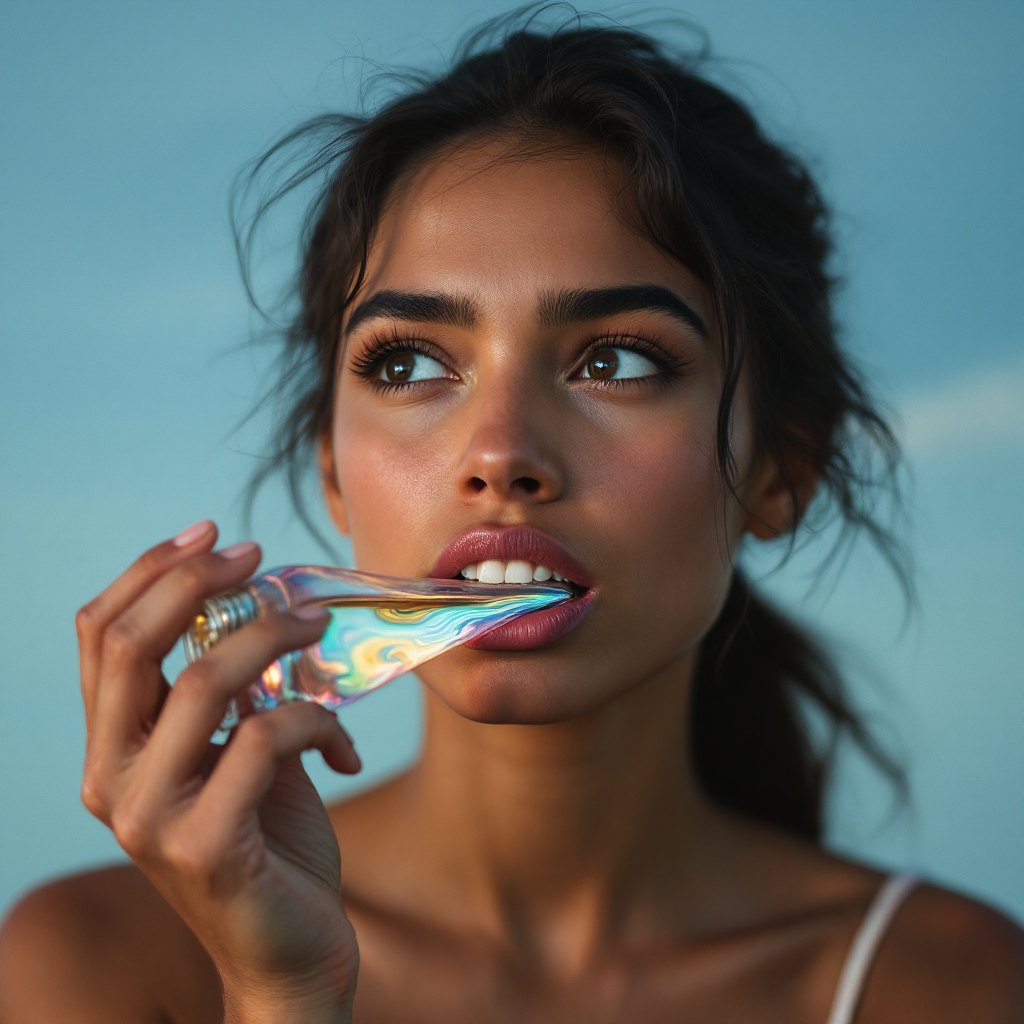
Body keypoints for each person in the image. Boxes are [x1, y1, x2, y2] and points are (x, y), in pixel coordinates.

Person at [1, 14, 1022, 1023]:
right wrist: (284, 996)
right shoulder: (95, 967)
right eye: (407, 364)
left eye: (616, 361)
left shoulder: (953, 987)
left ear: (778, 472)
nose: (499, 453)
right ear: (333, 474)